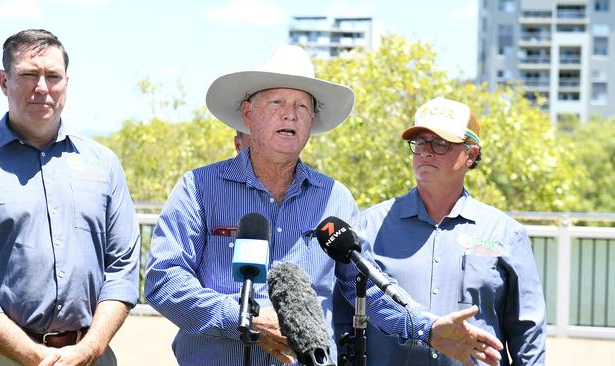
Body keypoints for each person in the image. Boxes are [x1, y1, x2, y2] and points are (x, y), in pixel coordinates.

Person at [144, 45, 503, 366]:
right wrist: (245, 316)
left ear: (312, 122)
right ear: (248, 114)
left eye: (302, 106)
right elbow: (164, 281)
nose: (291, 115)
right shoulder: (199, 187)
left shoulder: (335, 197)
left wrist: (430, 327)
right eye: (278, 104)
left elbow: (367, 287)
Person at [0, 29, 140, 366]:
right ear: (4, 81)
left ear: (66, 82)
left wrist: (89, 349)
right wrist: (32, 355)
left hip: (89, 356)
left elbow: (123, 269)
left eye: (53, 76)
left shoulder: (103, 164)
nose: (42, 87)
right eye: (29, 74)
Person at [333, 96, 547, 365]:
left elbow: (528, 333)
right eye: (420, 142)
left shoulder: (505, 233)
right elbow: (344, 316)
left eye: (440, 143)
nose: (425, 151)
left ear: (471, 154)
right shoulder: (369, 227)